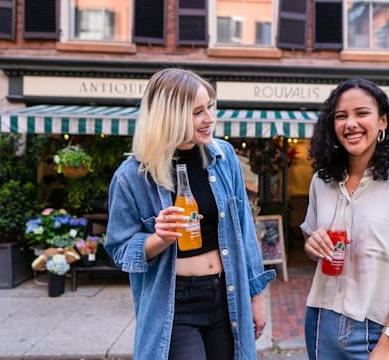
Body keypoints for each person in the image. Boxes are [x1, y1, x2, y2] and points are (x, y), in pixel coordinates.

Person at [105, 68, 275, 360]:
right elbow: (120, 249)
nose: (210, 118)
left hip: (226, 294)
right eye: (197, 112)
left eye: (209, 106)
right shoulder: (132, 176)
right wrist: (159, 239)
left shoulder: (224, 157)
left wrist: (256, 297)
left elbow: (244, 230)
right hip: (175, 302)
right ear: (170, 116)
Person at [301, 78, 389, 359]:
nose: (350, 123)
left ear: (383, 122)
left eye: (362, 113)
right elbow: (315, 244)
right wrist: (311, 244)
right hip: (322, 321)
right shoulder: (321, 181)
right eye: (341, 116)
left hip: (378, 328)